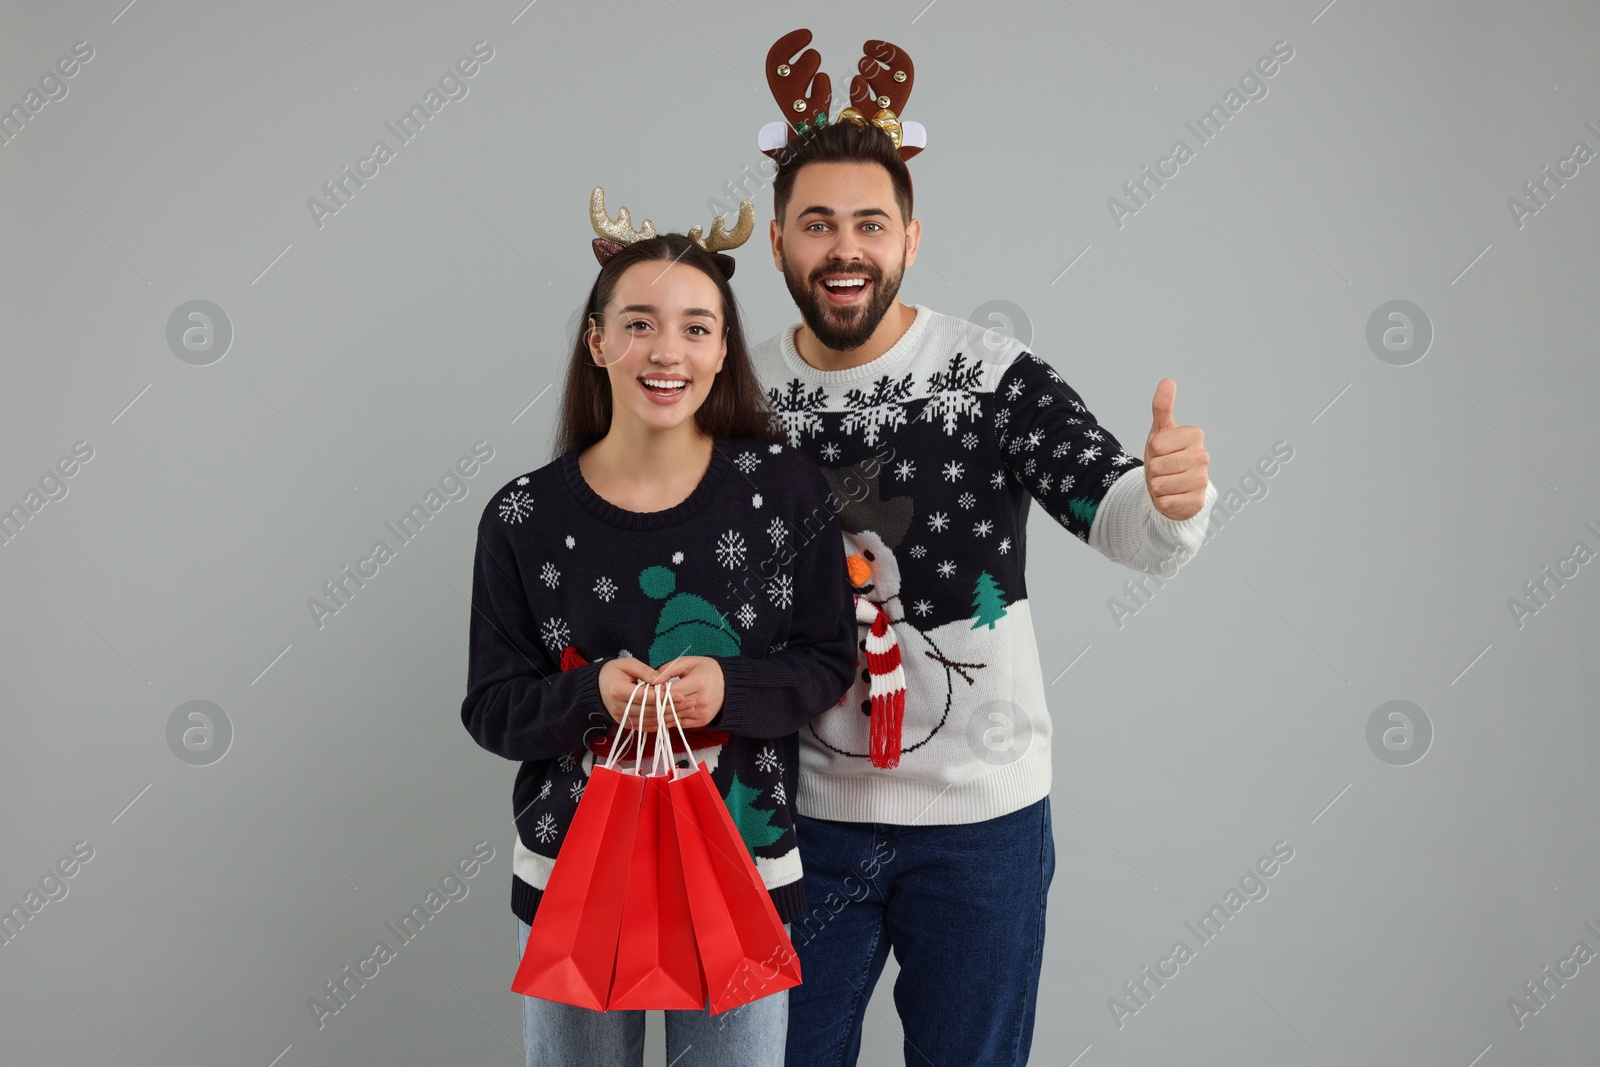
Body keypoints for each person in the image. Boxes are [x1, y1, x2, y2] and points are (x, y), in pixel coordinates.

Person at [745, 31, 1220, 1067]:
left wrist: (1172, 499)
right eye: (816, 222)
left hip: (982, 825)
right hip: (795, 821)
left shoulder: (992, 375)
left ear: (910, 238)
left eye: (870, 223)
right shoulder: (736, 398)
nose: (843, 248)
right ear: (777, 240)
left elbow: (1121, 519)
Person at [460, 187, 857, 1067]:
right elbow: (491, 707)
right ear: (597, 342)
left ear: (721, 352)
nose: (666, 350)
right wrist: (589, 694)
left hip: (743, 876)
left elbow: (830, 660)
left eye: (696, 327)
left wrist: (733, 686)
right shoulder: (521, 517)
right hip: (575, 880)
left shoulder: (784, 493)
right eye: (639, 323)